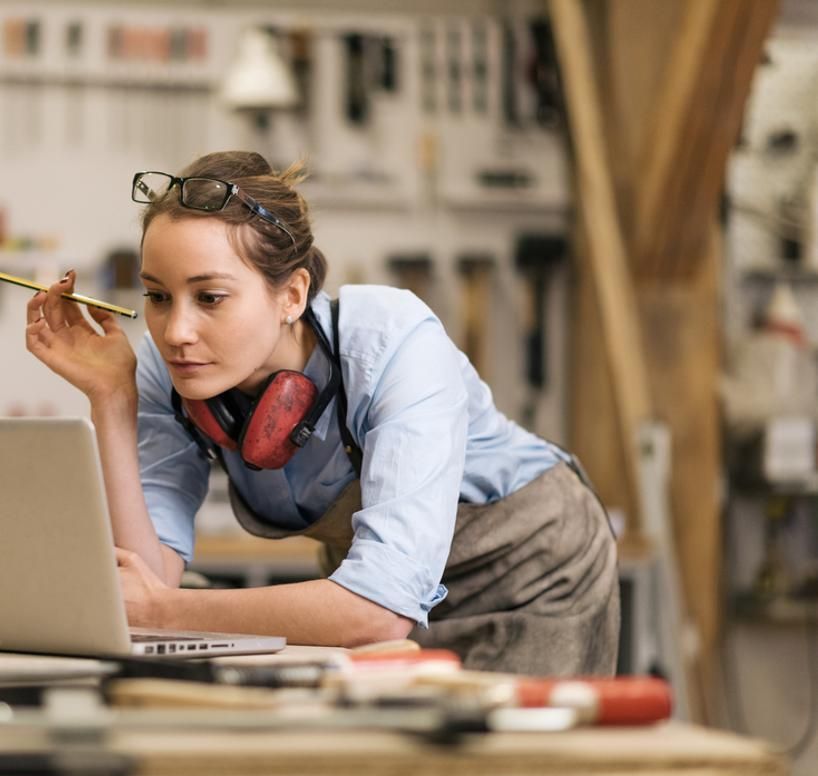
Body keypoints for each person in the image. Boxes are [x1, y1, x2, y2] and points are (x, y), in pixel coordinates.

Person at [25, 150, 619, 676]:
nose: (176, 331)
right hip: (368, 602)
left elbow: (378, 610)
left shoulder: (392, 342)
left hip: (529, 572)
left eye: (210, 298)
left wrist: (169, 610)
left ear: (292, 294)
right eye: (158, 296)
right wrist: (112, 401)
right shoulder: (167, 371)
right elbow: (147, 582)